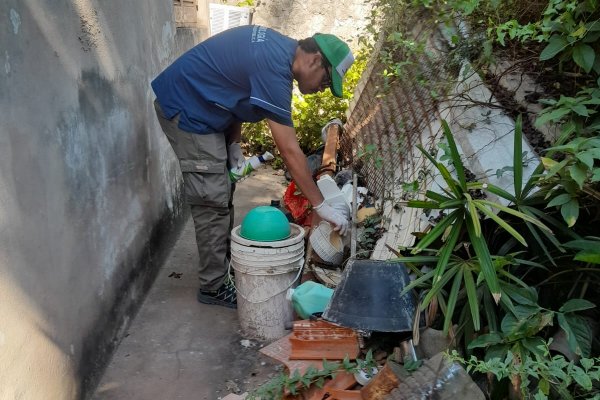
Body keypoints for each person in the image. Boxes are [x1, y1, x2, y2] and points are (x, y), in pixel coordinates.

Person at [151, 25, 354, 308]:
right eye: (324, 82)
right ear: (315, 60)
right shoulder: (274, 67)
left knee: (222, 188)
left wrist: (234, 143)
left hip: (205, 109)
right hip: (188, 111)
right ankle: (214, 286)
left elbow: (234, 96)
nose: (321, 89)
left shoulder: (278, 52)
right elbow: (289, 150)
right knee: (212, 196)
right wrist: (321, 206)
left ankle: (221, 269)